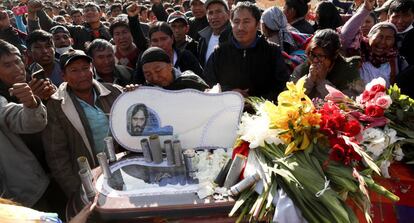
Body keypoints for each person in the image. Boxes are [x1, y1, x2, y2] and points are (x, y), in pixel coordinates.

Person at [42, 49, 122, 198]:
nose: (82, 74)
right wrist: (76, 191)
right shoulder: (56, 105)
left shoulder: (114, 92)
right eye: (74, 70)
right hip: (89, 180)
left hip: (121, 168)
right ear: (63, 76)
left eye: (86, 68)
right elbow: (57, 155)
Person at [204, 1, 289, 101]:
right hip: (227, 111)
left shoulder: (272, 51)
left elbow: (282, 86)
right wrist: (229, 93)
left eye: (246, 21)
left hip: (263, 113)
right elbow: (208, 84)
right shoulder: (219, 52)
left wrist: (255, 101)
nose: (240, 27)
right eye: (236, 22)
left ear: (257, 24)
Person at [0, 39, 49, 208]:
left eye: (18, 61)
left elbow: (32, 123)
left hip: (45, 175)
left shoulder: (35, 83)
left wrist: (36, 102)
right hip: (18, 195)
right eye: (7, 65)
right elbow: (13, 116)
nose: (17, 68)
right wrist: (30, 104)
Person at [290, 29, 364, 98]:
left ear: (334, 56)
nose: (315, 60)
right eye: (313, 54)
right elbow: (289, 98)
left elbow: (350, 104)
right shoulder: (302, 69)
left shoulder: (349, 71)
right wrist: (309, 80)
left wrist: (322, 82)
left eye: (321, 56)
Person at [135, 22, 203, 84]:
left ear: (172, 38)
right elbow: (137, 83)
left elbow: (201, 81)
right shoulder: (144, 58)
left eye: (163, 39)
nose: (160, 44)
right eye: (155, 40)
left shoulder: (186, 56)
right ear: (150, 42)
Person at [28, 1, 111, 51]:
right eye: (86, 11)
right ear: (84, 16)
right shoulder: (77, 30)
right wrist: (39, 10)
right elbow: (50, 24)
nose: (89, 12)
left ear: (100, 14)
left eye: (93, 10)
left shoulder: (110, 31)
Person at [139, 46, 208, 91]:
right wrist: (132, 93)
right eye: (148, 74)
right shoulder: (147, 90)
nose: (155, 78)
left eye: (158, 71)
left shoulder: (191, 81)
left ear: (170, 66)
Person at [198, 0, 231, 67]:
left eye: (218, 11)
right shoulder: (203, 39)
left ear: (228, 14)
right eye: (210, 13)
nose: (214, 17)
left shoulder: (236, 37)